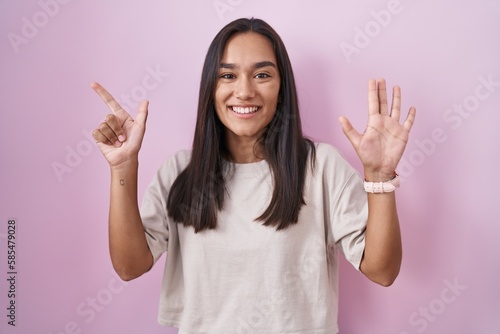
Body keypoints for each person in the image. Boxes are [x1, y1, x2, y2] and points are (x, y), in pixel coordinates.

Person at [91, 18, 415, 334]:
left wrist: (379, 175)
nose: (244, 91)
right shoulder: (179, 172)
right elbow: (129, 266)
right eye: (228, 75)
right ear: (210, 88)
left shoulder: (321, 167)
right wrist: (123, 167)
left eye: (262, 74)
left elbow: (383, 270)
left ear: (281, 87)